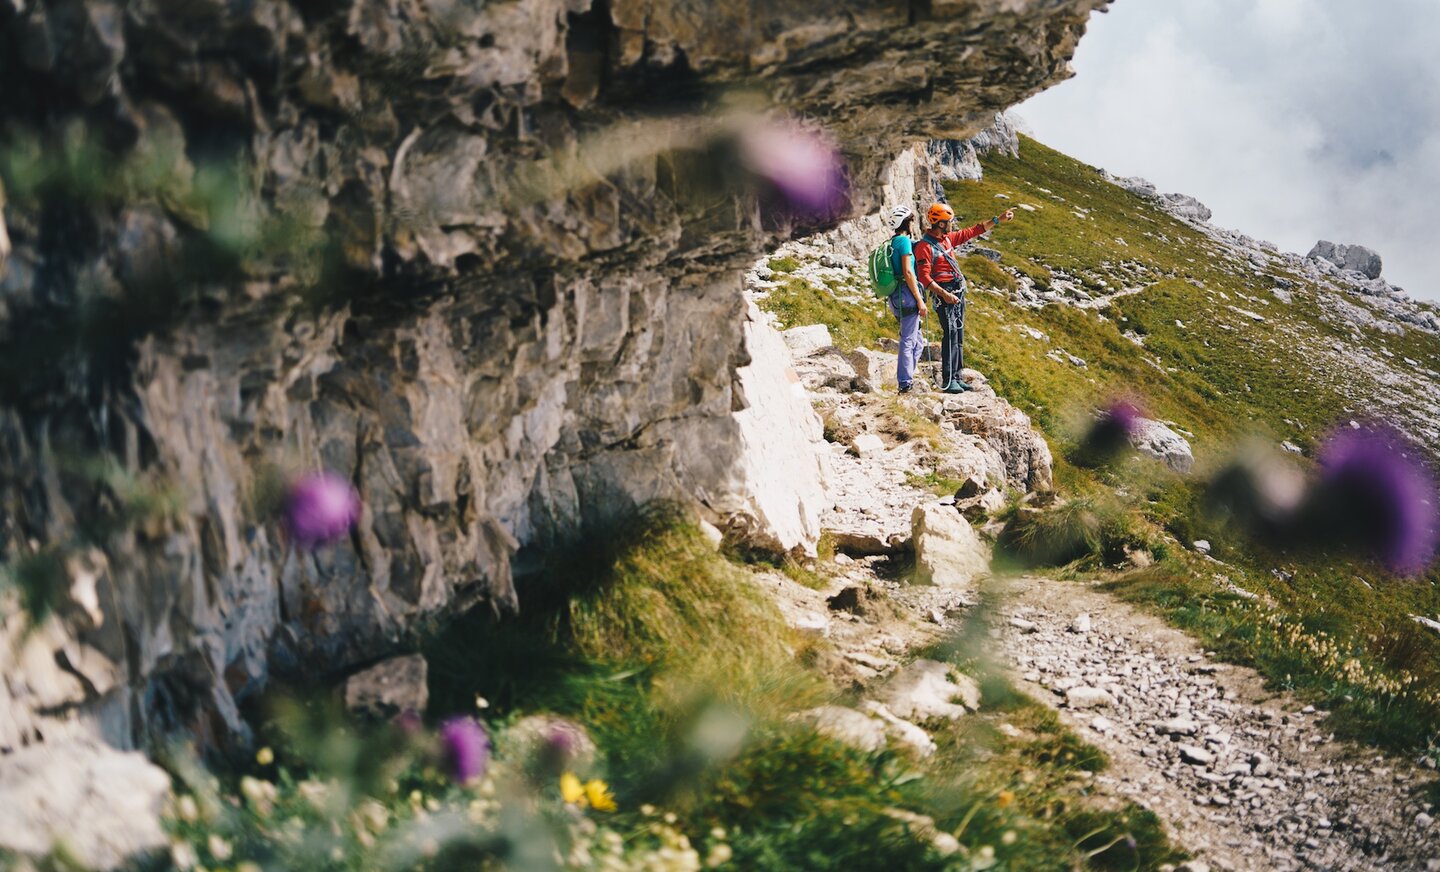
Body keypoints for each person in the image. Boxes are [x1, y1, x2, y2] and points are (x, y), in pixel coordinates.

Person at [914, 202, 1015, 393]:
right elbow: (924, 277)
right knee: (950, 334)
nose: (953, 224)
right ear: (941, 224)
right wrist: (945, 295)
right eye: (950, 221)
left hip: (956, 292)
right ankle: (948, 379)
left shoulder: (947, 240)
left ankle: (957, 376)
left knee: (958, 334)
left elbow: (973, 231)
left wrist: (997, 220)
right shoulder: (924, 247)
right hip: (945, 294)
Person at [885, 206, 927, 392]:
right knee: (908, 341)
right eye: (911, 220)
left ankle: (907, 376)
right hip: (907, 295)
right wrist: (920, 300)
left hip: (895, 296)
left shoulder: (891, 242)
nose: (913, 224)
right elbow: (908, 272)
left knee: (918, 342)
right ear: (905, 222)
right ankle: (905, 384)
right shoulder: (904, 242)